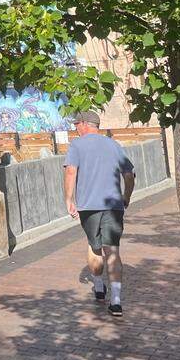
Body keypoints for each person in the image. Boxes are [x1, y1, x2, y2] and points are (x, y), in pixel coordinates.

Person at [64, 110, 135, 317]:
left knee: (94, 248)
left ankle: (98, 286)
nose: (75, 128)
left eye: (76, 124)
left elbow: (70, 171)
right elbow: (129, 175)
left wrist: (69, 200)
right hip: (114, 205)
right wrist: (126, 196)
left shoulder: (77, 145)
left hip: (88, 206)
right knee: (112, 250)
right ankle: (116, 301)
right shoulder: (113, 144)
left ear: (85, 124)